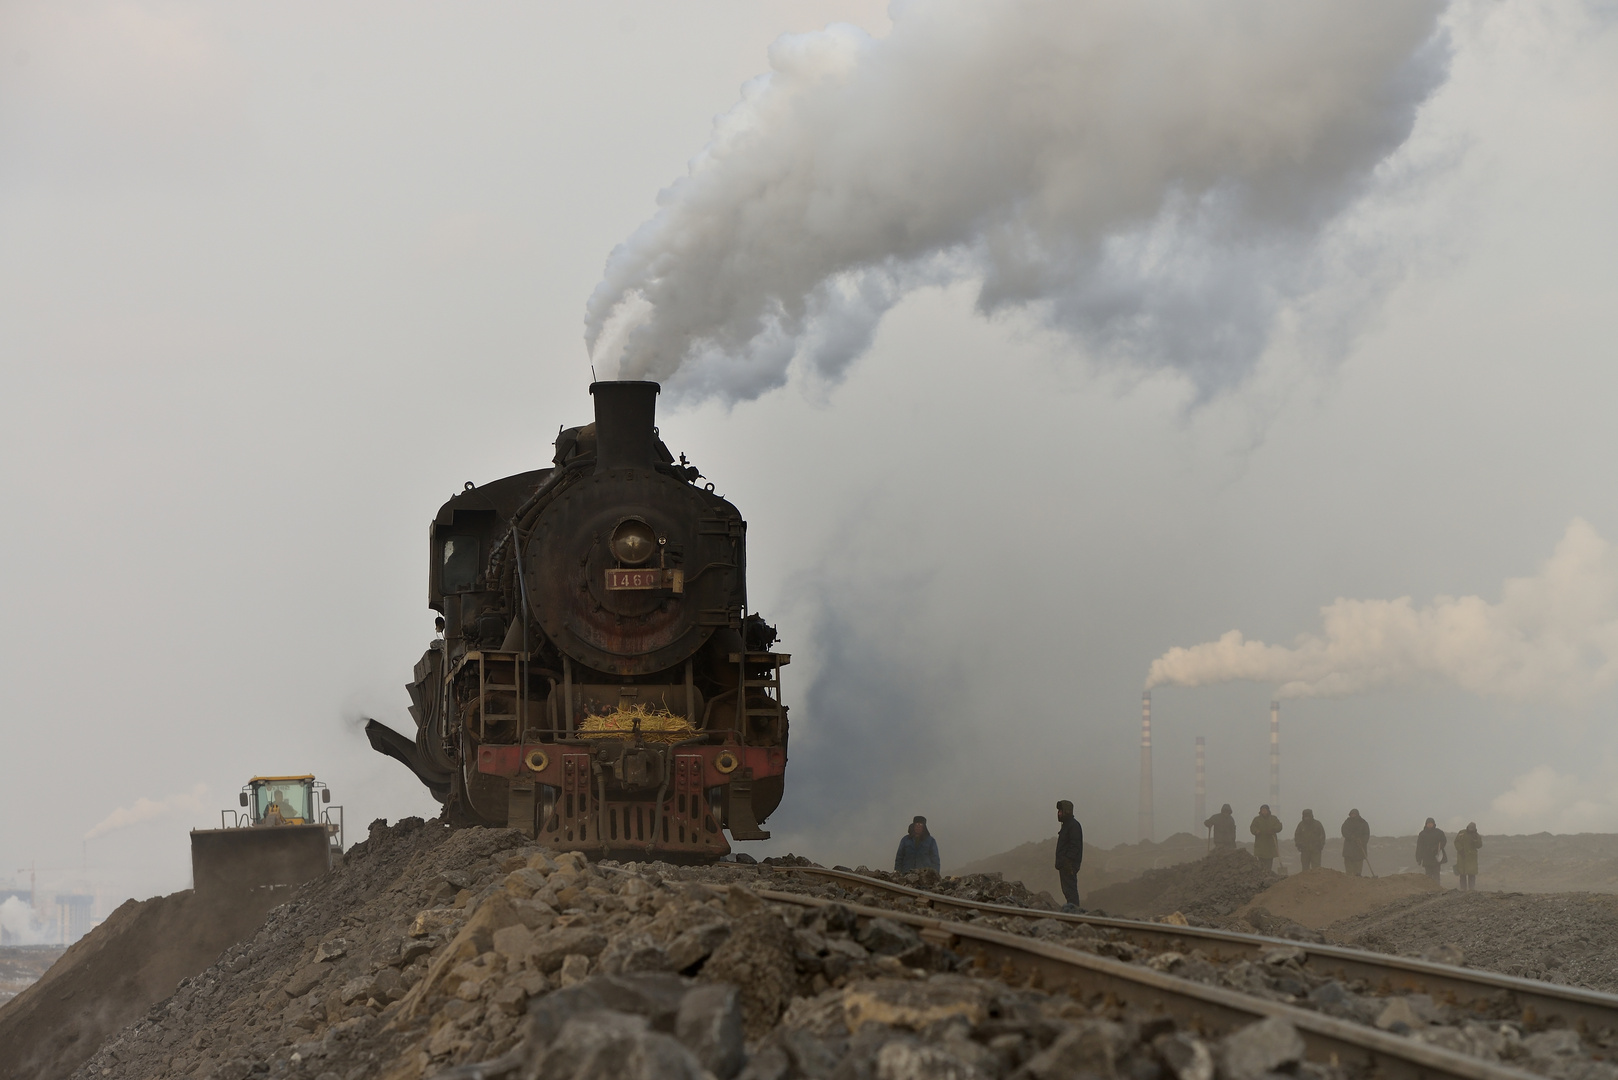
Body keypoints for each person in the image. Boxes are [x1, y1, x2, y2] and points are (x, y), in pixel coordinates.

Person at [1055, 800, 1084, 912]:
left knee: (1070, 891)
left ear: (1066, 811)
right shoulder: (1068, 825)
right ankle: (1072, 912)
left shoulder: (1073, 826)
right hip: (1065, 864)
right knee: (1068, 891)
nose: (1058, 813)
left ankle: (1074, 912)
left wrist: (1067, 861)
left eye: (1060, 811)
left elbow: (1075, 846)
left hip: (1069, 865)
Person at [1250, 805, 1283, 872]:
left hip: (1270, 845)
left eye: (1265, 810)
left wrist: (1273, 830)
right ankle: (1262, 875)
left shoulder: (1273, 819)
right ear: (1260, 811)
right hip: (1260, 844)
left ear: (1268, 811)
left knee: (1269, 862)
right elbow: (1252, 827)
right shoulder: (1257, 819)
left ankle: (1268, 874)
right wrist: (1256, 831)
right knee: (1261, 862)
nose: (1264, 812)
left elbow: (1279, 826)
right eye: (1262, 810)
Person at [1415, 818, 1447, 882]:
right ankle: (1428, 889)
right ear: (1426, 824)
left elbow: (1444, 841)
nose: (1429, 825)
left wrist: (1436, 848)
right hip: (1426, 857)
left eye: (1431, 823)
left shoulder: (1439, 832)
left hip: (1436, 856)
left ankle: (1437, 889)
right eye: (1428, 823)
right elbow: (1419, 847)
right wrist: (1418, 858)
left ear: (1434, 824)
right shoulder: (1422, 834)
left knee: (1436, 874)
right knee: (1428, 876)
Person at [1341, 809, 1370, 876]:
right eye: (1351, 814)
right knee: (1349, 870)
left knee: (1358, 871)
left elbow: (1366, 834)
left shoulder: (1363, 823)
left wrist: (1362, 841)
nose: (1353, 815)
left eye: (1354, 814)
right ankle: (1349, 882)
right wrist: (1352, 837)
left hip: (1359, 849)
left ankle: (1357, 882)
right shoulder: (1347, 822)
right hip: (1349, 849)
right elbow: (1344, 831)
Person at [1454, 822, 1482, 891]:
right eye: (1469, 828)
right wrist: (1460, 850)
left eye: (1472, 828)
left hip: (1471, 858)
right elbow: (1456, 842)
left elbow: (1479, 845)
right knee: (1462, 874)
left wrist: (1475, 840)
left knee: (1471, 874)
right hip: (1462, 857)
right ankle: (1463, 888)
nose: (1470, 829)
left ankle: (1471, 888)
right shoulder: (1461, 833)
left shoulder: (1476, 835)